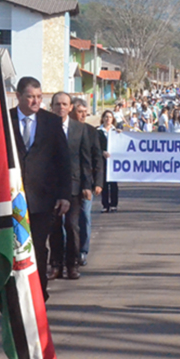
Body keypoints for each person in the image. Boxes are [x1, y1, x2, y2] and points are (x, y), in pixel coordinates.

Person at [9, 77, 71, 301]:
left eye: (38, 97)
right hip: (11, 198)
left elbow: (63, 160)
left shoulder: (51, 122)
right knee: (13, 250)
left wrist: (65, 195)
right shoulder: (4, 120)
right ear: (18, 97)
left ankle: (37, 294)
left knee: (37, 247)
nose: (35, 101)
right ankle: (14, 296)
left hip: (42, 200)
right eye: (30, 97)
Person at [49, 92, 93, 281]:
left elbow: (85, 160)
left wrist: (87, 185)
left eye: (64, 104)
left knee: (72, 225)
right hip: (51, 186)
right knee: (54, 227)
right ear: (52, 107)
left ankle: (72, 264)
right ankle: (56, 265)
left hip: (74, 186)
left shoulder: (79, 129)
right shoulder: (45, 126)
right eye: (57, 104)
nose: (61, 108)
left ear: (70, 107)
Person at [71, 98, 102, 266]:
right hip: (68, 183)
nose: (83, 115)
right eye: (80, 111)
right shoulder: (65, 129)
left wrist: (98, 182)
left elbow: (97, 158)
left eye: (85, 112)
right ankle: (67, 252)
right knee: (66, 222)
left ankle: (82, 251)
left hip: (87, 183)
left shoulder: (91, 132)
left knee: (84, 217)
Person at [98, 110, 120, 213]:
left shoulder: (116, 131)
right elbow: (94, 146)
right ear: (102, 118)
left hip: (114, 162)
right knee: (104, 184)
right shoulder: (97, 131)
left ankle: (114, 204)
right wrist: (102, 152)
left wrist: (121, 135)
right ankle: (105, 205)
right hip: (102, 161)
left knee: (114, 184)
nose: (108, 119)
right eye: (106, 117)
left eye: (110, 117)